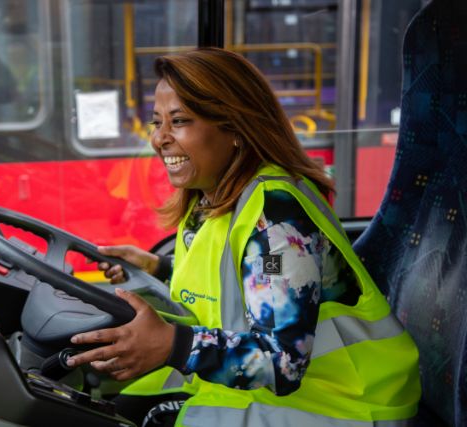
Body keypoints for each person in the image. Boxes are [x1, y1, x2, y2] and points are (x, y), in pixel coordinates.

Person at [66, 48, 420, 426]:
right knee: (117, 410)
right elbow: (240, 284)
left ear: (234, 127)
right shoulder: (211, 200)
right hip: (275, 392)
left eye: (179, 121)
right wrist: (158, 267)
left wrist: (173, 345)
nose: (159, 139)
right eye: (157, 123)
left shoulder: (277, 222)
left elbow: (282, 363)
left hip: (346, 405)